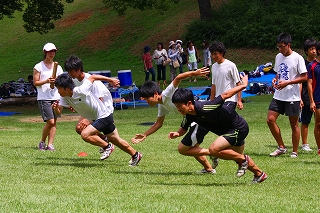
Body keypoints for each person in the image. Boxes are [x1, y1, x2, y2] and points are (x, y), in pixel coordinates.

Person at [170, 74, 267, 183]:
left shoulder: (205, 107)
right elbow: (184, 127)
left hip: (238, 128)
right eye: (176, 106)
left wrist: (244, 85)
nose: (178, 109)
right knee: (237, 157)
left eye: (179, 106)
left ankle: (244, 160)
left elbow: (225, 95)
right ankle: (259, 174)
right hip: (227, 131)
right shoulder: (188, 114)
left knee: (215, 150)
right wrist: (177, 134)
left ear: (189, 103)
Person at [132, 68, 219, 174]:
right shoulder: (162, 105)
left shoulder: (167, 93)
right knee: (193, 148)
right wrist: (145, 135)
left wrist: (194, 73)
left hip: (201, 116)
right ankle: (209, 169)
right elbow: (158, 124)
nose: (146, 102)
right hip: (194, 119)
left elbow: (178, 77)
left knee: (185, 148)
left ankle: (214, 153)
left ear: (155, 94)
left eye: (147, 99)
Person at [53, 73, 142, 166]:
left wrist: (110, 80)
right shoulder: (64, 97)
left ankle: (107, 146)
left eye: (59, 88)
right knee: (115, 139)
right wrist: (55, 109)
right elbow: (58, 112)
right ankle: (136, 155)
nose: (58, 91)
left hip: (104, 116)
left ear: (67, 88)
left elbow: (93, 77)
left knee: (85, 134)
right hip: (98, 118)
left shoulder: (81, 90)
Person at [64, 55, 115, 158]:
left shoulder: (89, 80)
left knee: (83, 130)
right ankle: (105, 141)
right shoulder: (74, 81)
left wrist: (88, 119)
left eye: (71, 71)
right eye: (68, 71)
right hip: (93, 109)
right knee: (80, 128)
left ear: (79, 69)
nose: (69, 74)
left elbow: (99, 100)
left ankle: (108, 145)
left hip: (104, 109)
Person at [267, 33, 308, 158]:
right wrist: (275, 79)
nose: (280, 49)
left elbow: (304, 77)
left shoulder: (298, 58)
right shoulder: (278, 57)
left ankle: (295, 151)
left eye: (282, 46)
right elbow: (278, 74)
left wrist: (288, 82)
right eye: (278, 47)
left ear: (288, 45)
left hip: (292, 96)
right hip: (279, 95)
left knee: (293, 124)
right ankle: (281, 147)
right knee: (270, 120)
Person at [33, 42, 63, 151]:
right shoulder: (38, 66)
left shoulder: (57, 67)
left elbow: (61, 80)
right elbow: (35, 82)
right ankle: (42, 142)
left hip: (55, 96)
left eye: (53, 51)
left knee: (54, 121)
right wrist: (46, 81)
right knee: (50, 121)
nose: (52, 53)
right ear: (45, 52)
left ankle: (50, 144)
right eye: (49, 51)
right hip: (43, 97)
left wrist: (57, 81)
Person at [209, 41, 243, 110]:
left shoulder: (231, 65)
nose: (213, 56)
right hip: (218, 99)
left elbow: (238, 83)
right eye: (212, 54)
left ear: (222, 53)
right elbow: (213, 85)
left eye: (215, 54)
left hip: (230, 99)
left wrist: (239, 100)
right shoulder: (213, 66)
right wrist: (211, 100)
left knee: (224, 117)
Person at [300, 38, 317, 151]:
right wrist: (300, 98)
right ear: (306, 51)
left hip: (318, 94)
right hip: (306, 95)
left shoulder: (318, 63)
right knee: (306, 120)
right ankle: (305, 144)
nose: (314, 51)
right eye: (311, 49)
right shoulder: (303, 64)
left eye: (315, 49)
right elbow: (301, 82)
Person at [307, 41, 320, 155]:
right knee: (318, 124)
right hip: (318, 99)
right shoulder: (312, 66)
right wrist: (311, 101)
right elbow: (309, 84)